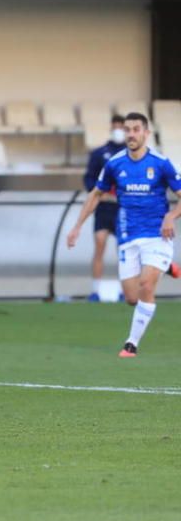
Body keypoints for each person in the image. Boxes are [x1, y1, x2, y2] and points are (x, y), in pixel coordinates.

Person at [67, 112, 181, 357]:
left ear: (146, 133)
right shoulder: (115, 163)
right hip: (128, 235)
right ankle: (168, 267)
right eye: (128, 129)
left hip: (157, 236)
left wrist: (171, 216)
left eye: (136, 129)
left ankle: (131, 344)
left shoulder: (161, 163)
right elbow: (96, 194)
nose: (130, 134)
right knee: (132, 298)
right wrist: (77, 226)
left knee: (146, 286)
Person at [82, 115, 126, 301]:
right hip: (104, 207)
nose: (118, 131)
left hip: (123, 208)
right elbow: (89, 178)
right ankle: (95, 290)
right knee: (99, 244)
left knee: (123, 250)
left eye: (121, 127)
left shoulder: (131, 153)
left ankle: (125, 290)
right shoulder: (100, 153)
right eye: (115, 127)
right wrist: (99, 193)